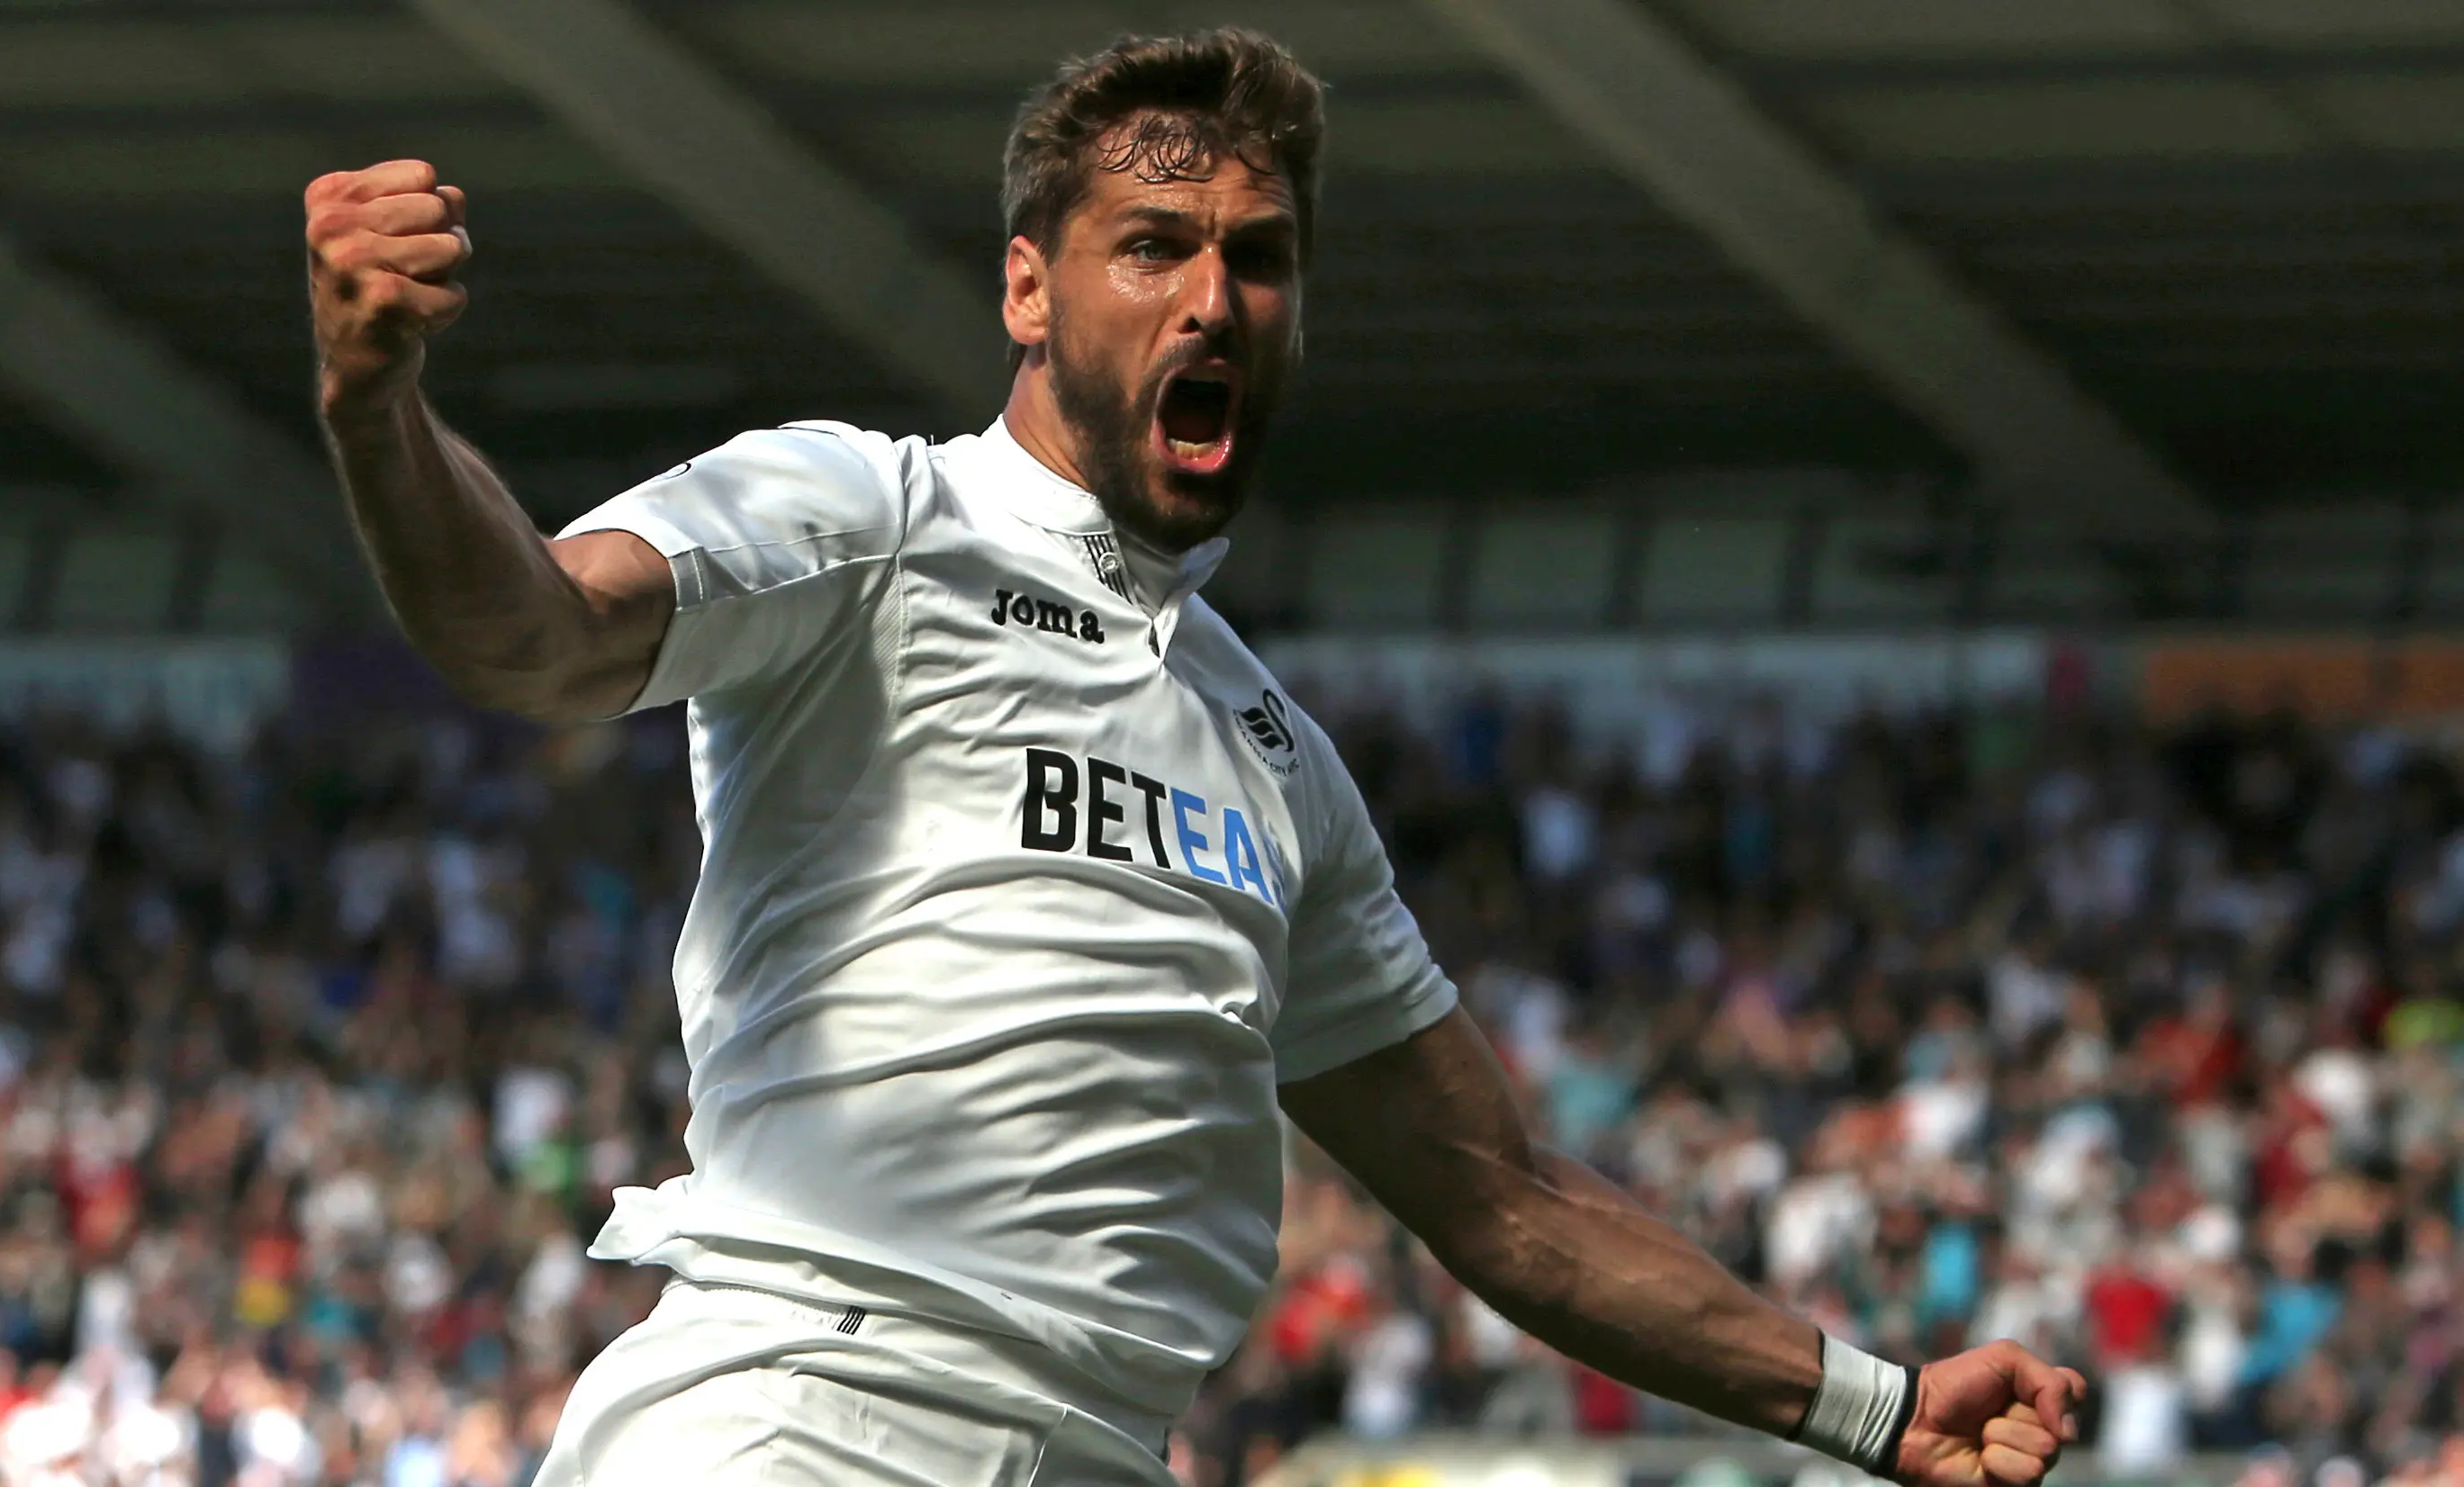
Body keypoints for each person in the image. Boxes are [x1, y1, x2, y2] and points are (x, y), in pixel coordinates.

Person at [302, 28, 2087, 1487]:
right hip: (804, 1416)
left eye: (1261, 257)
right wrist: (380, 411)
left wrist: (1868, 1398)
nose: (1213, 297)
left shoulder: (1274, 758)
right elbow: (528, 630)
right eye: (1154, 245)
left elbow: (1506, 1195)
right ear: (1027, 285)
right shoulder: (868, 519)